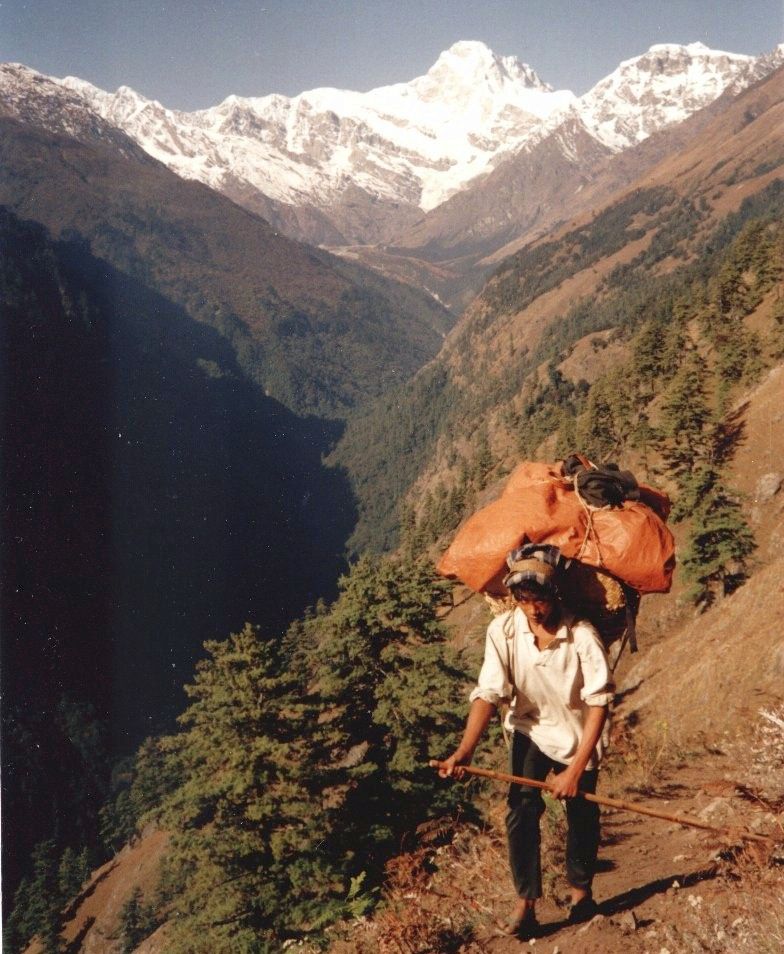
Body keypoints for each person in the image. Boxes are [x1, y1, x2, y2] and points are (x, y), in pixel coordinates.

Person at [438, 544, 614, 938]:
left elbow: (599, 705)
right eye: (524, 599)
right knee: (520, 809)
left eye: (540, 599)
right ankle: (526, 902)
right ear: (514, 598)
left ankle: (580, 892)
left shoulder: (582, 636)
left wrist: (575, 769)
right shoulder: (503, 631)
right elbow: (488, 693)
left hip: (577, 734)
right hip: (529, 729)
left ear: (556, 594)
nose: (533, 609)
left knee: (582, 812)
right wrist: (464, 751)